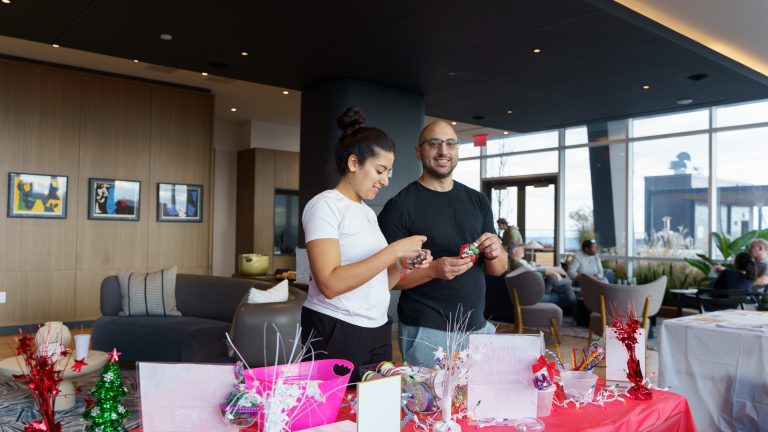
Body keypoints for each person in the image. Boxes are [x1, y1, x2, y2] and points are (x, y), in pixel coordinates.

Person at [301, 106, 432, 382]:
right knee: (338, 418)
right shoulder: (325, 206)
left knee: (372, 414)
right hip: (336, 327)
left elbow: (378, 282)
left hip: (377, 330)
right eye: (380, 170)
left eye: (389, 172)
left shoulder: (366, 213)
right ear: (353, 163)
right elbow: (330, 284)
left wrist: (403, 265)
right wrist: (393, 250)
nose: (385, 181)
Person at [378, 120, 507, 367]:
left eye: (450, 143)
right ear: (418, 152)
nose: (443, 151)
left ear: (457, 150)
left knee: (477, 404)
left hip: (477, 327)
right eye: (434, 143)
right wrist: (434, 270)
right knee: (430, 405)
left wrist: (495, 252)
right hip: (427, 330)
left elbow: (498, 269)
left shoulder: (477, 201)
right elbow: (385, 278)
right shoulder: (399, 207)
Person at [507, 241, 577, 312]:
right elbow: (531, 274)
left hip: (537, 288)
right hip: (534, 294)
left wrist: (547, 272)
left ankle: (578, 316)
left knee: (565, 286)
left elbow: (532, 271)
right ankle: (572, 283)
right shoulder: (516, 264)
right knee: (563, 292)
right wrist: (547, 272)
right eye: (521, 249)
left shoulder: (520, 262)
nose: (523, 250)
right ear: (514, 251)